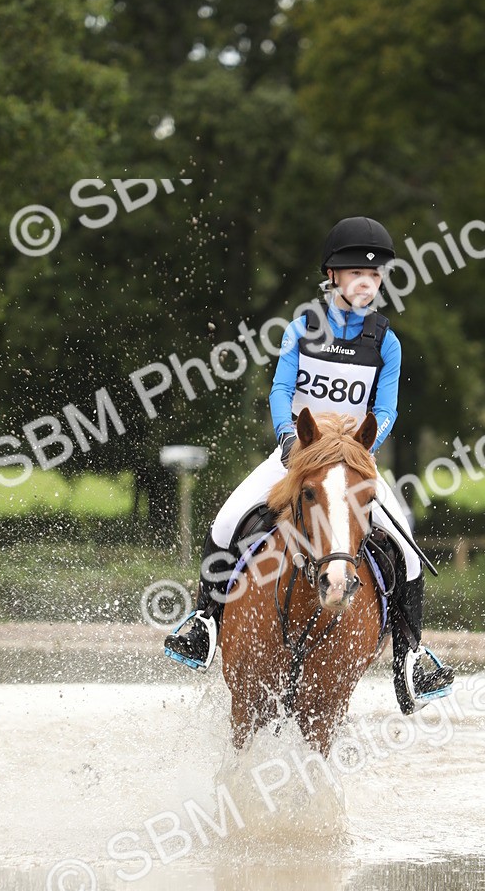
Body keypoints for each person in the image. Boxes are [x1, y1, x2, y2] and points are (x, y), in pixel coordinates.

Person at [164, 216, 453, 713]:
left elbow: (385, 411)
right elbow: (281, 390)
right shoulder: (301, 330)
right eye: (355, 272)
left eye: (375, 274)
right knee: (228, 520)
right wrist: (286, 437)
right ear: (332, 277)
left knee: (405, 547)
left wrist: (361, 446)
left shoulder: (387, 342)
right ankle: (205, 622)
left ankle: (410, 660)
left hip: (352, 460)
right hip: (297, 454)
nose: (367, 281)